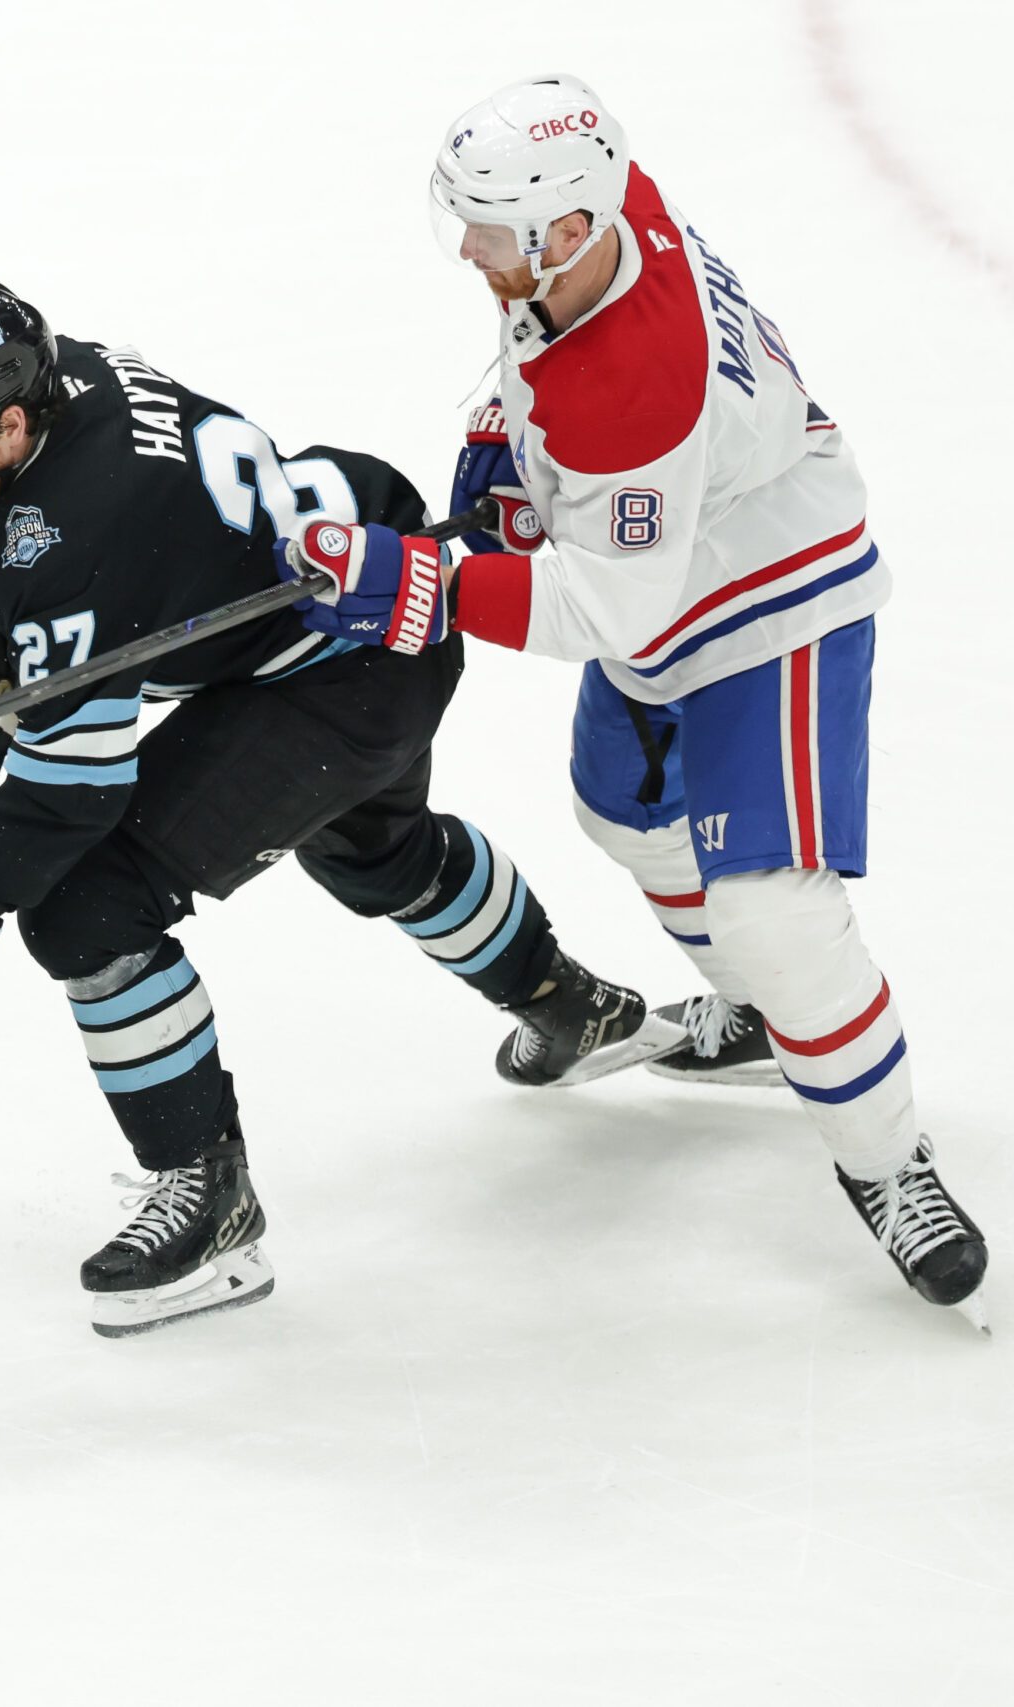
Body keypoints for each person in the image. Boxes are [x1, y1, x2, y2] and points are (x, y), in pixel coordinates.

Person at [300, 74, 984, 1325]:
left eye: (489, 232)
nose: (467, 250)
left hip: (764, 602)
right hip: (676, 551)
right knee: (618, 814)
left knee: (775, 915)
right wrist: (512, 448)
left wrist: (427, 585)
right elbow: (561, 392)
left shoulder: (632, 376)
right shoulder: (601, 217)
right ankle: (771, 1022)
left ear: (564, 231)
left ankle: (889, 1162)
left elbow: (613, 614)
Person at [0, 279, 661, 1339]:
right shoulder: (72, 377)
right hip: (368, 579)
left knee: (86, 911)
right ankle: (566, 1006)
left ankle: (210, 1203)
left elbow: (70, 793)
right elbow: (84, 542)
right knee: (375, 848)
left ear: (12, 422)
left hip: (344, 661)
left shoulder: (75, 538)